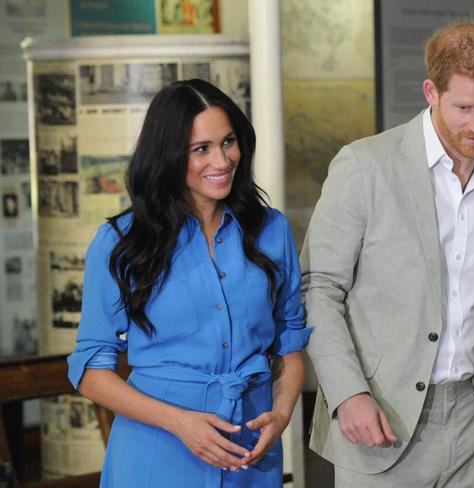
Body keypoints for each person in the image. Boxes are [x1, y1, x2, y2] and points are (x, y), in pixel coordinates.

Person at [301, 21, 474, 487]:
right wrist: (348, 394)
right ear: (431, 91)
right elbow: (318, 288)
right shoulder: (364, 166)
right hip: (380, 419)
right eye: (464, 107)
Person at [68, 79, 311, 487]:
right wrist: (180, 424)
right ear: (167, 155)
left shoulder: (271, 230)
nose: (222, 160)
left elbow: (289, 342)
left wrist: (282, 413)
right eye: (201, 149)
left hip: (249, 452)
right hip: (157, 449)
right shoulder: (119, 242)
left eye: (229, 142)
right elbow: (92, 369)